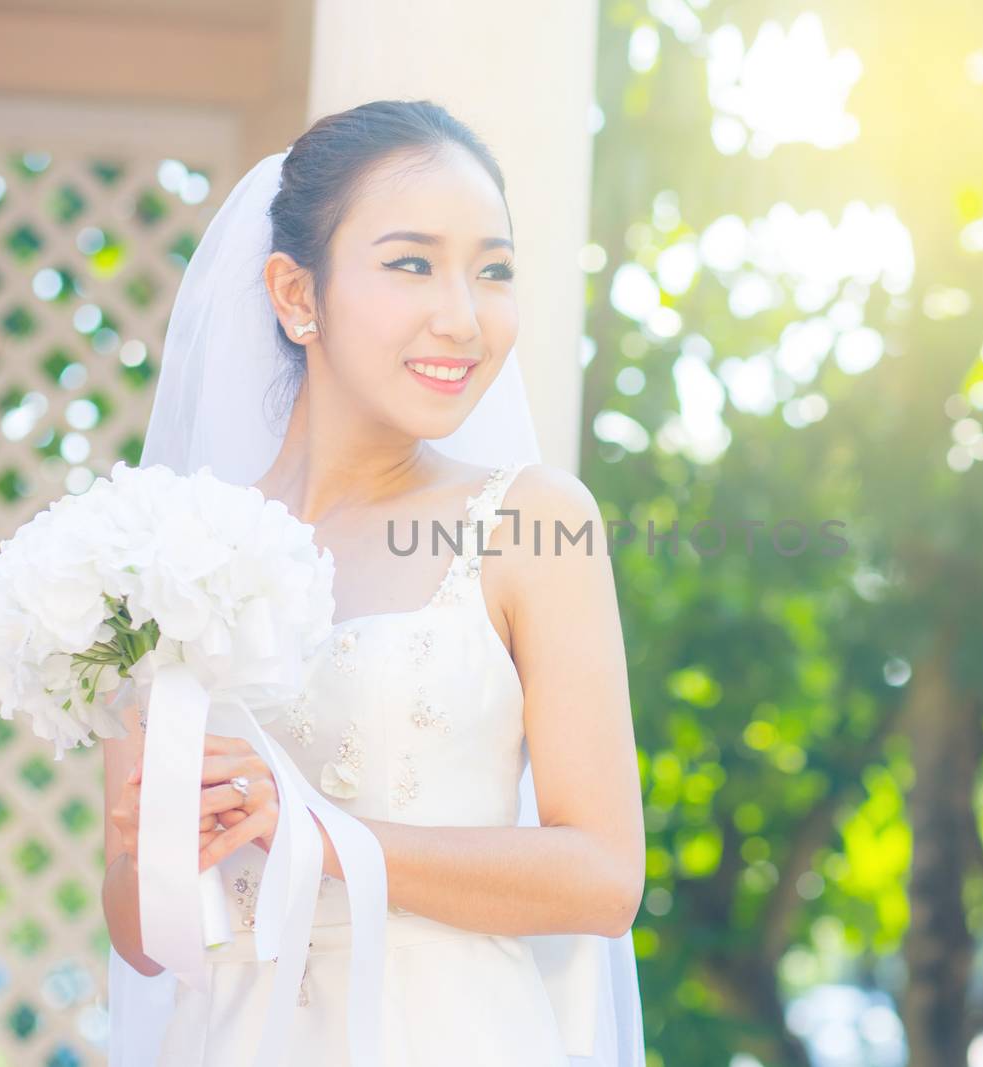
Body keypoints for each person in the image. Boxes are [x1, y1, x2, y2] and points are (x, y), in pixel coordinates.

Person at [97, 100, 647, 1066]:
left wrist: (316, 830)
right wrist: (158, 844)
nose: (463, 317)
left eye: (494, 270)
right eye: (411, 263)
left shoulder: (534, 522)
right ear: (295, 294)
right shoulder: (169, 555)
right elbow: (141, 936)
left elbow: (602, 876)